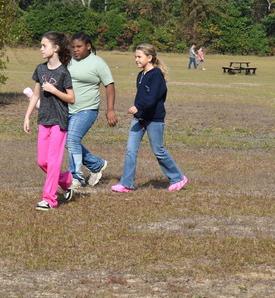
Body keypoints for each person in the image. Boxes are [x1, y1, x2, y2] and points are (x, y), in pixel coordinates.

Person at [111, 43, 188, 193]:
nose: (136, 60)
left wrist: (139, 107)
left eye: (139, 57)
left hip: (154, 119)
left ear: (149, 57)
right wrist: (140, 114)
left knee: (158, 150)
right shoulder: (141, 75)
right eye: (135, 57)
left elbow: (153, 98)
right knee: (130, 150)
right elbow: (142, 95)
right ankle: (127, 184)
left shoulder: (156, 75)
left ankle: (178, 177)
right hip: (140, 119)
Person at [24, 31, 76, 210]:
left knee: (53, 161)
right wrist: (27, 116)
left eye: (44, 46)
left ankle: (50, 199)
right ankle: (65, 180)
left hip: (59, 121)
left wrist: (54, 91)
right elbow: (35, 94)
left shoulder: (63, 72)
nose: (41, 49)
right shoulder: (40, 69)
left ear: (55, 48)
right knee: (42, 161)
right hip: (43, 119)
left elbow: (71, 98)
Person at [66, 32, 117, 190]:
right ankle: (96, 165)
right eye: (73, 47)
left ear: (88, 46)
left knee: (72, 140)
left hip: (87, 109)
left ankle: (76, 177)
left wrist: (110, 110)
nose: (75, 50)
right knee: (68, 141)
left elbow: (109, 85)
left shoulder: (97, 63)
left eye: (79, 47)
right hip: (67, 108)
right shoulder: (68, 61)